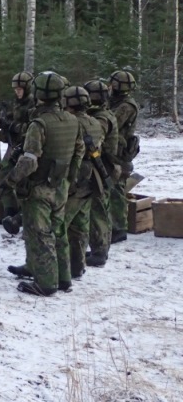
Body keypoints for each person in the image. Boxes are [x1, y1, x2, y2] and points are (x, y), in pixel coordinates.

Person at [5, 72, 84, 296]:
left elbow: (29, 161)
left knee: (39, 235)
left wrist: (11, 180)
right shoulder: (72, 120)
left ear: (38, 94)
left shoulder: (39, 124)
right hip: (61, 185)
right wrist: (69, 177)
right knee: (59, 232)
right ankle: (63, 278)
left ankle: (46, 283)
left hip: (39, 187)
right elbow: (80, 152)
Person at [60, 86, 105, 279]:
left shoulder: (71, 123)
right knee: (80, 226)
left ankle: (54, 270)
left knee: (60, 225)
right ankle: (77, 267)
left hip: (74, 178)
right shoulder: (95, 122)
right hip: (91, 177)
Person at [83, 79, 119, 266]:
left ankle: (99, 251)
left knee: (98, 210)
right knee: (99, 209)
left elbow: (94, 143)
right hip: (104, 166)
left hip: (101, 167)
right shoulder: (103, 114)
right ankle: (100, 249)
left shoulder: (101, 118)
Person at [0, 72, 34, 224]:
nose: (17, 91)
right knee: (3, 179)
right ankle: (10, 212)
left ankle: (21, 216)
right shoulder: (16, 103)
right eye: (15, 88)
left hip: (28, 149)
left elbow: (35, 126)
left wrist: (14, 126)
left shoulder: (33, 104)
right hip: (14, 148)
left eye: (20, 88)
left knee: (23, 184)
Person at [108, 70, 139, 244]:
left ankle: (119, 228)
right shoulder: (116, 102)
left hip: (119, 152)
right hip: (113, 149)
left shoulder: (126, 106)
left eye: (112, 84)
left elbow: (111, 123)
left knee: (116, 189)